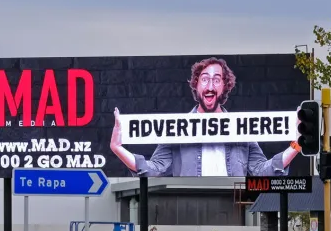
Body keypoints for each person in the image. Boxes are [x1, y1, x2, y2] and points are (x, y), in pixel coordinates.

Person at [109, 56, 301, 177]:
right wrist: (117, 148)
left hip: (235, 208)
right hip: (190, 209)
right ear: (196, 84)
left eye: (216, 80)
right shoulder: (176, 129)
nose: (210, 86)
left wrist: (295, 146)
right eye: (205, 80)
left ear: (225, 86)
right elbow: (153, 170)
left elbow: (262, 171)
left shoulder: (242, 129)